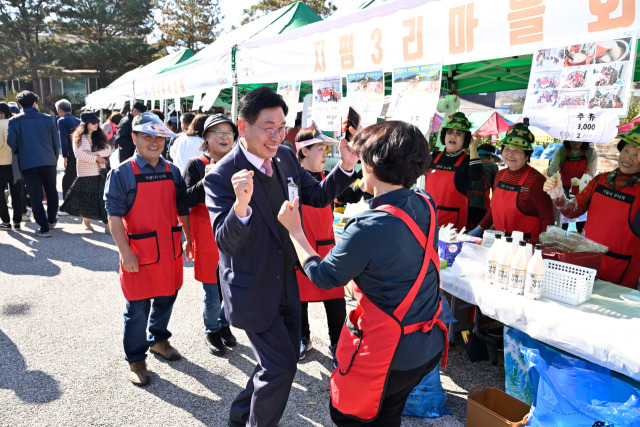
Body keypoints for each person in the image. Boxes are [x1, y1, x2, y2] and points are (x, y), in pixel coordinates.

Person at [204, 87, 357, 427]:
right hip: (252, 289)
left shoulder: (285, 156)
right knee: (281, 366)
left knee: (275, 364)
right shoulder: (220, 176)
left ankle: (239, 416)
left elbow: (316, 196)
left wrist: (345, 168)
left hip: (288, 283)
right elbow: (225, 243)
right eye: (268, 127)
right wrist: (240, 206)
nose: (276, 136)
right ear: (243, 127)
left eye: (282, 127)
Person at [278, 120, 447, 427]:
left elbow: (323, 277)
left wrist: (295, 231)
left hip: (391, 349)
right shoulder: (425, 203)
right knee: (388, 412)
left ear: (373, 165)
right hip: (427, 342)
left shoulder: (369, 226)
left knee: (346, 416)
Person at [104, 112, 190, 386]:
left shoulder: (172, 170)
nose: (154, 142)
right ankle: (136, 358)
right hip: (139, 254)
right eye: (147, 136)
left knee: (167, 297)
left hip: (169, 251)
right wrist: (125, 252)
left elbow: (181, 209)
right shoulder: (122, 173)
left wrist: (188, 237)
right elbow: (114, 217)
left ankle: (159, 340)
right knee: (137, 308)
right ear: (134, 138)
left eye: (159, 137)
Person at [544, 124, 640, 289]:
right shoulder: (599, 180)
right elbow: (572, 211)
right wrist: (557, 195)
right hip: (587, 264)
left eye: (637, 154)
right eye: (626, 151)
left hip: (622, 273)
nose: (628, 158)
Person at [183, 114, 238, 355]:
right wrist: (207, 180)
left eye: (229, 133)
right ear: (206, 137)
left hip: (234, 235)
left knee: (233, 287)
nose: (224, 137)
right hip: (206, 236)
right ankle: (211, 328)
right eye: (218, 133)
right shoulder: (196, 165)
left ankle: (224, 324)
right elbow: (184, 199)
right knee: (213, 290)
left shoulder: (239, 164)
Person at [293, 127, 346, 363]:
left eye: (326, 149)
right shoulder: (292, 181)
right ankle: (302, 338)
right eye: (320, 149)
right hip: (301, 247)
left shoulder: (327, 178)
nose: (325, 154)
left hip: (326, 248)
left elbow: (350, 194)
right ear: (303, 150)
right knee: (299, 299)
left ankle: (339, 343)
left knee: (334, 298)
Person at [469, 120, 554, 241]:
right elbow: (495, 209)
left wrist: (546, 245)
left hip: (525, 246)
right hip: (500, 243)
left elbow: (547, 218)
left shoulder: (536, 181)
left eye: (517, 151)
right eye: (507, 149)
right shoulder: (500, 175)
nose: (510, 154)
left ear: (527, 155)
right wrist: (479, 228)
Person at [7, 91, 60, 237]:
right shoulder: (48, 118)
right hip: (48, 160)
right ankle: (51, 220)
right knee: (51, 191)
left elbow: (11, 142)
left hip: (28, 161)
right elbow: (56, 142)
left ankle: (44, 228)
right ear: (35, 102)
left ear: (20, 105)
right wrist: (54, 158)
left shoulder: (14, 121)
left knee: (35, 195)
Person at [425, 112, 483, 232]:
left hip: (452, 224)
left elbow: (476, 175)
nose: (453, 136)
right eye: (450, 132)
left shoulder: (468, 160)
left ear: (465, 138)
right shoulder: (434, 156)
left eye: (458, 134)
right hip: (428, 217)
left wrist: (472, 148)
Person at [59, 111, 112, 231]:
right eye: (93, 122)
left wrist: (92, 154)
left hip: (99, 171)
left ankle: (107, 225)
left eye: (97, 122)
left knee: (100, 198)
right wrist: (97, 158)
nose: (96, 124)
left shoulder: (99, 135)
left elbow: (108, 150)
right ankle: (86, 219)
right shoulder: (79, 137)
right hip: (84, 172)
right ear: (86, 123)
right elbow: (78, 154)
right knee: (86, 198)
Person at [547, 140, 598, 233]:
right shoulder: (561, 151)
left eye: (579, 140)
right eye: (573, 140)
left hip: (583, 192)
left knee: (581, 224)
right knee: (562, 224)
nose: (576, 142)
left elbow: (591, 174)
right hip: (564, 192)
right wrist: (554, 175)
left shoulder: (591, 153)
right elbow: (552, 168)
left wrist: (581, 181)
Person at [0, 102, 24, 230]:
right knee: (17, 194)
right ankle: (17, 222)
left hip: (1, 164)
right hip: (16, 164)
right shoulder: (14, 123)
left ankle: (6, 221)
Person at [467, 143, 500, 229]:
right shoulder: (492, 165)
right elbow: (496, 191)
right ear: (491, 156)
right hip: (481, 204)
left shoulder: (468, 162)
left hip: (464, 203)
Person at [56, 99, 82, 201]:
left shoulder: (61, 120)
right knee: (76, 176)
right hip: (80, 151)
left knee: (67, 178)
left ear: (59, 109)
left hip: (71, 152)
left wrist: (65, 156)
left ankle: (67, 203)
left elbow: (63, 139)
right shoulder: (78, 120)